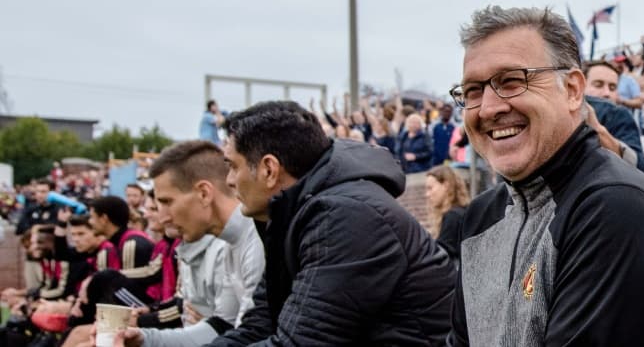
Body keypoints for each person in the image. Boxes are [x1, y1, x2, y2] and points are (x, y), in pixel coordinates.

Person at [446, 6, 644, 346]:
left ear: (572, 90)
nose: (489, 108)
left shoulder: (616, 205)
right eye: (473, 91)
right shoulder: (481, 216)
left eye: (511, 81)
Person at [206, 101, 454, 346]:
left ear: (269, 169)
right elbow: (261, 325)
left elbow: (300, 342)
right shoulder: (296, 216)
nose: (229, 181)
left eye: (233, 166)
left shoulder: (346, 217)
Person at [113, 140, 261, 346]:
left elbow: (252, 337)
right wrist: (143, 339)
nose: (163, 217)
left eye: (167, 202)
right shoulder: (231, 240)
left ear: (204, 193)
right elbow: (221, 327)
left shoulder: (255, 241)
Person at [87, 196, 157, 298]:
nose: (89, 221)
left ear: (104, 219)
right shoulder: (116, 244)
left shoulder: (132, 244)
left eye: (92, 217)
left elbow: (132, 292)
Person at [424, 165, 471, 264]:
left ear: (446, 186)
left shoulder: (452, 217)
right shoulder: (465, 211)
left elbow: (442, 256)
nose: (427, 194)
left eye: (430, 188)